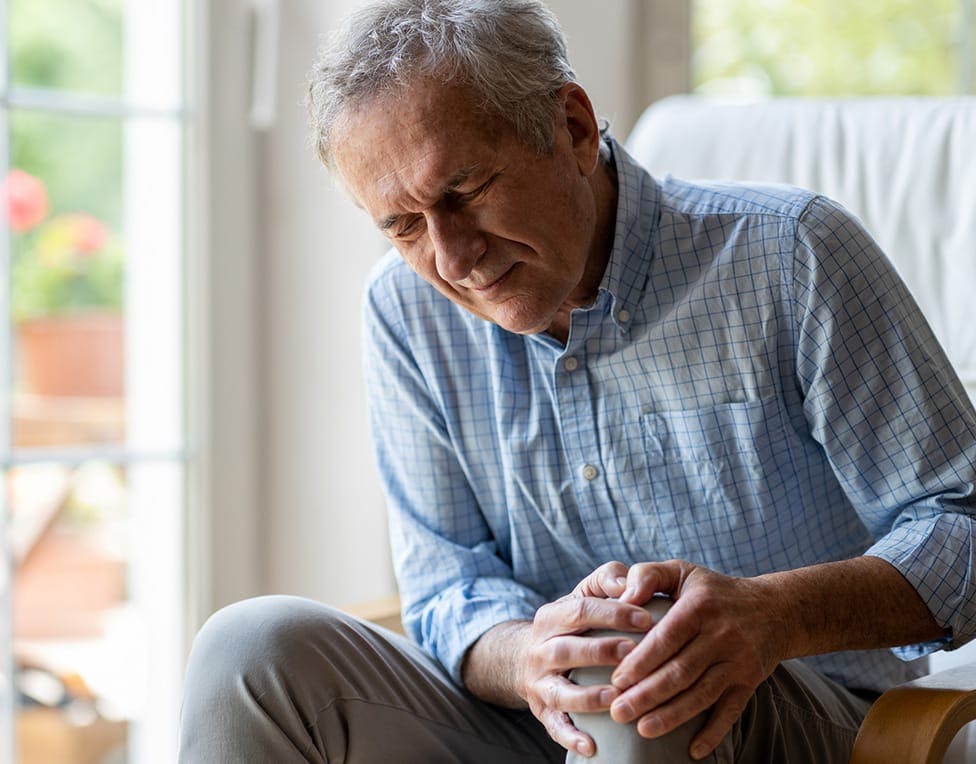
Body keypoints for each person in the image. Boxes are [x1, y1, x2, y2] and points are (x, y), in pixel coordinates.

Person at [178, 1, 976, 761]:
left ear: (572, 126)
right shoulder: (402, 311)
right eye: (405, 226)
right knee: (251, 650)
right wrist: (532, 653)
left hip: (800, 716)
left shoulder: (791, 254)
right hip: (538, 720)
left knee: (637, 664)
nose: (452, 259)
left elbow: (961, 523)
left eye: (463, 192)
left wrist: (772, 615)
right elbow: (448, 586)